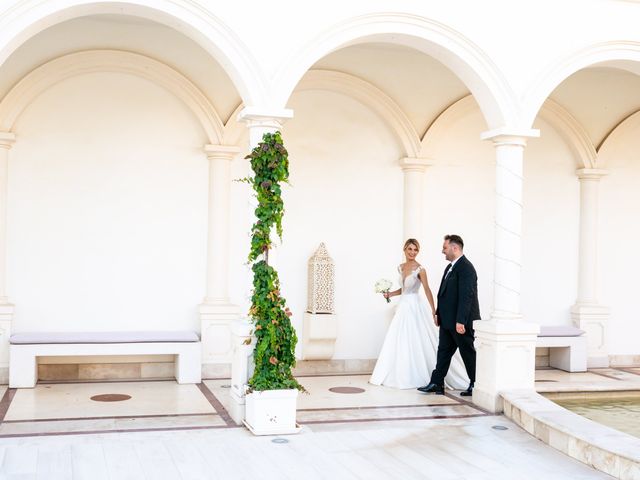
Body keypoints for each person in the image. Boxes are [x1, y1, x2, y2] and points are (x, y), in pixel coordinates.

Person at [370, 238, 469, 390]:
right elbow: (403, 289)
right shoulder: (401, 267)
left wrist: (433, 310)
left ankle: (421, 374)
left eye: (415, 250)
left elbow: (427, 289)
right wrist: (390, 294)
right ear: (405, 249)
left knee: (414, 338)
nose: (412, 252)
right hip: (403, 306)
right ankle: (398, 372)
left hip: (414, 306)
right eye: (410, 249)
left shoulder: (420, 269)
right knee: (399, 338)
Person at [418, 234, 479, 397]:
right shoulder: (450, 266)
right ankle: (437, 382)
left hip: (461, 322)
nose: (442, 251)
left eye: (445, 248)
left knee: (467, 353)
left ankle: (476, 384)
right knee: (443, 351)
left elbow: (467, 296)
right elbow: (444, 294)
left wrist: (461, 321)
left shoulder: (466, 268)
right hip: (447, 321)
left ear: (455, 247)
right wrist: (438, 314)